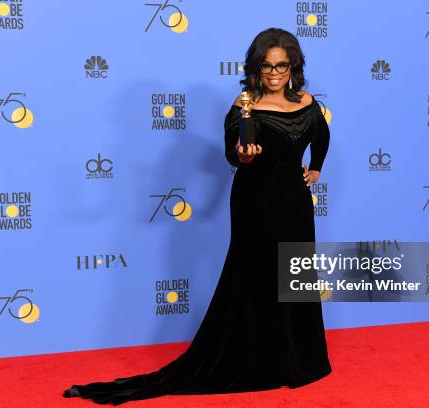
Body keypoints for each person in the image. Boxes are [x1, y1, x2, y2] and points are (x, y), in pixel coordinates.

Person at [63, 27, 332, 406]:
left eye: (281, 65)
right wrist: (245, 156)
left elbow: (321, 136)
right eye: (266, 66)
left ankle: (302, 359)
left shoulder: (306, 102)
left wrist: (315, 169)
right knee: (255, 275)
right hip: (255, 201)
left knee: (296, 272)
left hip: (295, 202)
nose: (274, 73)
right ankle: (262, 360)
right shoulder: (244, 107)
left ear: (294, 66)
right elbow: (231, 153)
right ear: (256, 68)